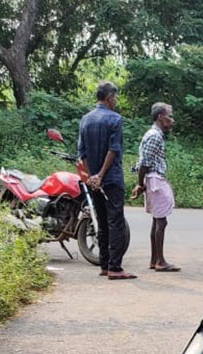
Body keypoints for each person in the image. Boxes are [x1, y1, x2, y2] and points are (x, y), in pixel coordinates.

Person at [78, 81, 133, 279]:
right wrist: (101, 174)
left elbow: (82, 152)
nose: (116, 101)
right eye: (115, 97)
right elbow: (114, 149)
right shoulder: (115, 119)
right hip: (111, 178)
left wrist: (92, 175)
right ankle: (115, 267)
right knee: (116, 221)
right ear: (109, 98)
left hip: (93, 180)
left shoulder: (85, 120)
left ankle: (104, 264)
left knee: (101, 221)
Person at [132, 102, 179, 272]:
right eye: (170, 116)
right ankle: (160, 261)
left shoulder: (154, 134)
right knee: (161, 221)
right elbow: (145, 162)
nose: (172, 120)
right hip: (155, 180)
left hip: (153, 179)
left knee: (157, 220)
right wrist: (139, 184)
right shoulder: (154, 136)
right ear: (161, 116)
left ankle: (155, 259)